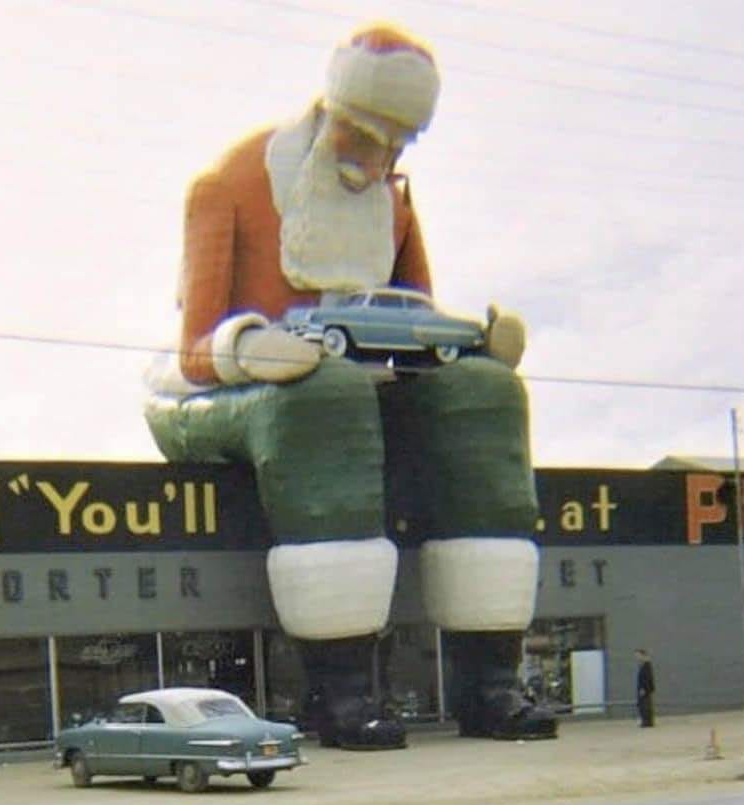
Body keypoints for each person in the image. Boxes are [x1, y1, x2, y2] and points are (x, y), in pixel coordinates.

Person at [145, 24, 551, 740]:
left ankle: (490, 685)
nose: (375, 160)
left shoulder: (394, 204)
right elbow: (195, 349)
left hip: (357, 389)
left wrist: (474, 348)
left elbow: (417, 318)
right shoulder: (228, 186)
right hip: (218, 394)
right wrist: (254, 349)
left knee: (482, 393)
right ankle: (339, 694)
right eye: (363, 136)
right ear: (331, 113)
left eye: (395, 145)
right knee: (326, 396)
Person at [636, 649, 655, 727]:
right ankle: (647, 721)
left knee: (645, 706)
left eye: (638, 655)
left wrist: (643, 688)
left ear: (642, 655)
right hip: (645, 689)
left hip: (645, 689)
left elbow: (647, 678)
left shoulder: (646, 665)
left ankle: (646, 722)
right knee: (644, 705)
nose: (637, 657)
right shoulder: (644, 665)